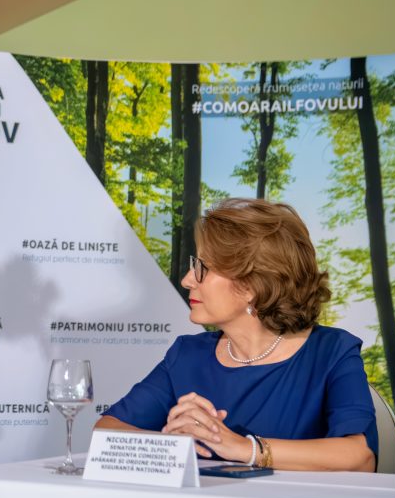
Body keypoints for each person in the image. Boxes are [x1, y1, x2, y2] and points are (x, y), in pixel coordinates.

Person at [96, 198, 376, 472]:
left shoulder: (332, 351)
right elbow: (106, 431)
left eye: (202, 268)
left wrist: (245, 448)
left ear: (252, 285)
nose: (187, 280)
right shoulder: (187, 355)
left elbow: (360, 457)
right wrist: (173, 443)